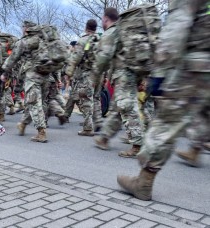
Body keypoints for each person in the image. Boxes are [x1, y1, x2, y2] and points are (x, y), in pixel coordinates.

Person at [117, 0, 209, 201]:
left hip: (198, 66)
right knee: (204, 113)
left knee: (166, 124)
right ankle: (195, 150)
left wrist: (158, 73)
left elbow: (177, 27)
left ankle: (143, 182)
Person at [93, 8, 144, 157]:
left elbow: (103, 58)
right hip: (130, 74)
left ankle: (137, 145)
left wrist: (95, 77)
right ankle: (104, 137)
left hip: (123, 75)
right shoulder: (124, 31)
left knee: (127, 108)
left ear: (105, 18)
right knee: (117, 108)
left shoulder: (112, 32)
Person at [2, 21, 50, 143]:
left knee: (34, 102)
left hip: (32, 75)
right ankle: (23, 123)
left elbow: (13, 58)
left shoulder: (24, 41)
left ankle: (41, 132)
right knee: (34, 102)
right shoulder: (45, 39)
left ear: (26, 29)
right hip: (46, 75)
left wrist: (5, 73)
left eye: (22, 27)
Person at [64, 19, 103, 137]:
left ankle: (87, 128)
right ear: (96, 28)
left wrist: (68, 73)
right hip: (99, 74)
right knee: (95, 98)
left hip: (87, 74)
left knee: (86, 100)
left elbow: (75, 58)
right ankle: (98, 120)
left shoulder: (84, 40)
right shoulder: (101, 41)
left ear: (86, 28)